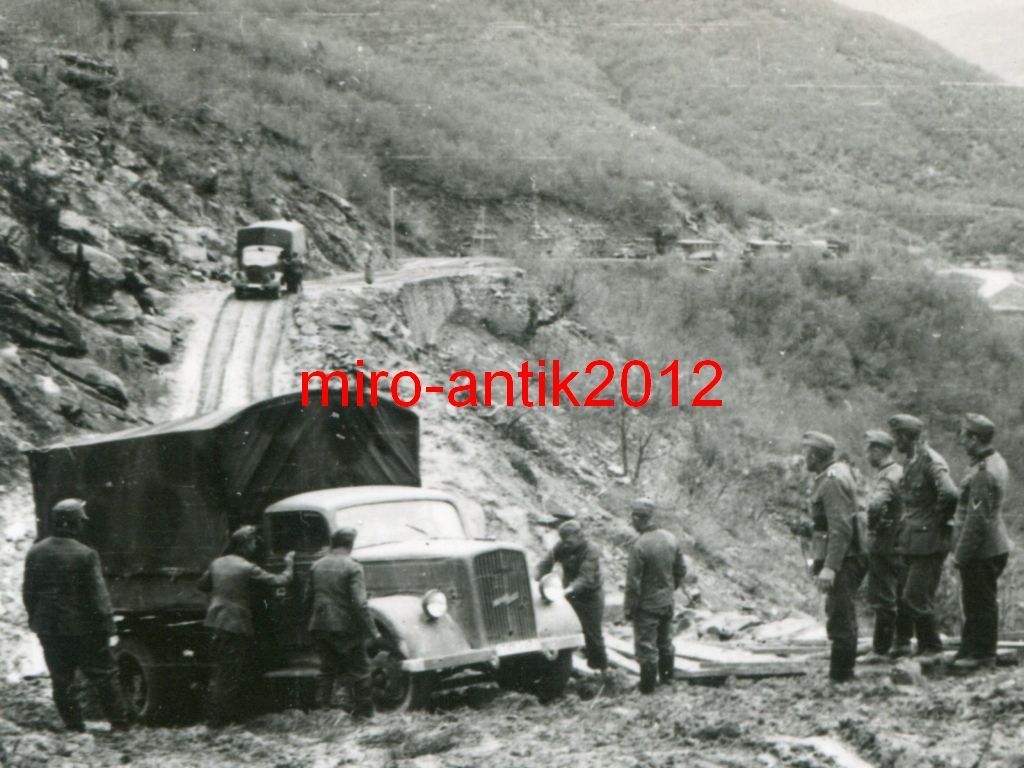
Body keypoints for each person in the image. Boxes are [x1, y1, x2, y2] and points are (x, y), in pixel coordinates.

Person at [22, 498, 131, 732]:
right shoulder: (85, 554)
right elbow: (98, 596)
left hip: (49, 627)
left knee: (61, 678)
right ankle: (119, 726)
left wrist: (36, 618)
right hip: (84, 629)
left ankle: (74, 726)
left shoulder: (36, 552)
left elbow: (28, 592)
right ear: (74, 523)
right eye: (81, 521)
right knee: (104, 675)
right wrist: (109, 628)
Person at [197, 526, 294, 727]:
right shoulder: (246, 567)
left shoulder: (217, 563)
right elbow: (279, 580)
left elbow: (202, 585)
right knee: (230, 674)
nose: (253, 547)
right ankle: (219, 722)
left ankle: (218, 718)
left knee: (222, 671)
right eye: (251, 543)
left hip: (215, 621)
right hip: (235, 624)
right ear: (244, 545)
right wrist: (289, 564)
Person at [888, 414, 958, 660]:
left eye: (897, 437)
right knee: (910, 595)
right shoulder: (911, 461)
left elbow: (950, 493)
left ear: (906, 437)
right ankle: (918, 645)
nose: (895, 442)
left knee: (915, 597)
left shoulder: (930, 461)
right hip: (913, 541)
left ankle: (933, 648)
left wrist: (935, 521)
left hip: (929, 542)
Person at [802, 431, 868, 683]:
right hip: (844, 554)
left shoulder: (831, 481)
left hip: (843, 558)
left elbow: (840, 528)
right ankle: (842, 673)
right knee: (840, 612)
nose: (804, 458)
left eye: (806, 453)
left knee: (840, 615)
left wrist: (830, 567)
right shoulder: (837, 472)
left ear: (815, 456)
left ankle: (841, 677)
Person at [951, 413, 1012, 670]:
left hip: (982, 550)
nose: (961, 441)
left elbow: (976, 522)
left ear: (975, 439)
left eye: (965, 436)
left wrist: (960, 555)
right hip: (989, 546)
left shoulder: (984, 473)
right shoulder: (990, 462)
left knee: (980, 603)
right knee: (975, 601)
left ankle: (983, 655)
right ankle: (971, 650)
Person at [305, 527, 380, 720]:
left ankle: (322, 711)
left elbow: (307, 598)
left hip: (320, 624)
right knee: (361, 669)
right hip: (345, 626)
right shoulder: (353, 566)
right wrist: (373, 632)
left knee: (327, 668)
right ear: (350, 544)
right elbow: (360, 603)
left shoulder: (316, 565)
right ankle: (364, 713)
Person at [623, 498, 686, 694]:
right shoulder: (670, 538)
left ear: (637, 518)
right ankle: (667, 682)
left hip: (647, 607)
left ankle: (647, 690)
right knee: (665, 643)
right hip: (666, 602)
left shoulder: (639, 545)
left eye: (632, 517)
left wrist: (629, 608)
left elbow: (633, 583)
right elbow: (681, 570)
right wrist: (669, 589)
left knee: (646, 647)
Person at [535, 520, 608, 672]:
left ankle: (600, 671)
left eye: (568, 541)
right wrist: (532, 580)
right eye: (562, 541)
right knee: (558, 630)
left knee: (592, 636)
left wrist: (565, 591)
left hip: (590, 597)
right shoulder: (562, 546)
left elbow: (585, 578)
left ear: (579, 536)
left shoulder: (591, 550)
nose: (565, 544)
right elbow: (544, 564)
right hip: (569, 595)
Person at [861, 430, 905, 662]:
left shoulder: (887, 476)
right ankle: (899, 644)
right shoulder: (900, 471)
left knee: (883, 596)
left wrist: (872, 528)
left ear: (878, 450)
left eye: (869, 450)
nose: (866, 455)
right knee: (898, 595)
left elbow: (876, 505)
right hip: (902, 541)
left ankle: (880, 650)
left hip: (885, 543)